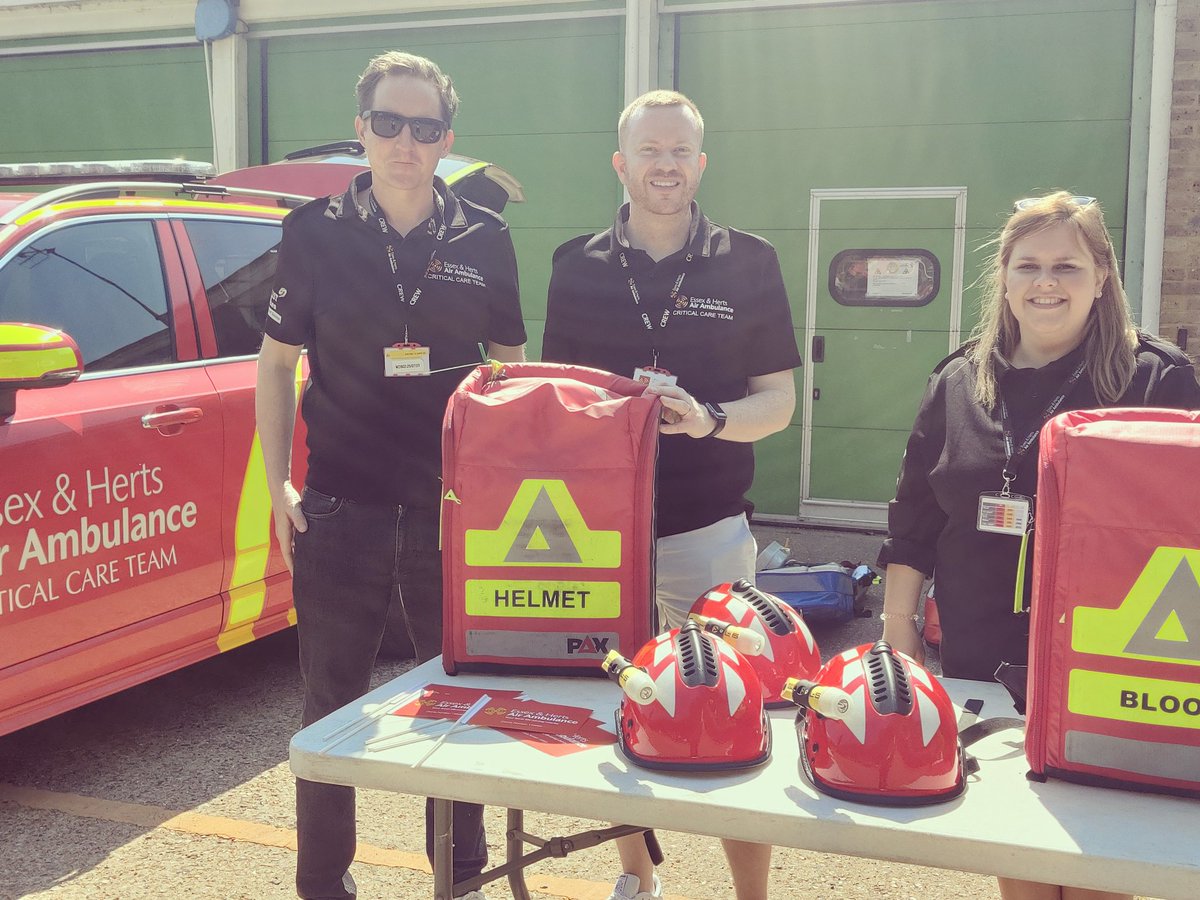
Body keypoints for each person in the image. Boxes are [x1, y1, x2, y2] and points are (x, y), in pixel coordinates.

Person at [255, 51, 526, 900]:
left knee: (461, 699)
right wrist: (277, 488)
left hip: (454, 512)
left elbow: (511, 369)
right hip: (339, 507)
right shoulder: (313, 232)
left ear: (447, 138)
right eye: (388, 124)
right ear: (362, 129)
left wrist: (503, 494)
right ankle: (323, 885)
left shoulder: (487, 236)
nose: (406, 143)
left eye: (426, 128)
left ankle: (460, 880)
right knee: (330, 708)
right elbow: (275, 366)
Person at [878, 191, 1200, 900]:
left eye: (1067, 265)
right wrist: (899, 629)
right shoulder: (959, 379)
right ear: (1005, 276)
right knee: (1017, 843)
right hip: (979, 650)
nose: (1046, 282)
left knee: (1096, 865)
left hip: (1104, 651)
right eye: (1028, 265)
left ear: (1102, 276)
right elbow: (916, 516)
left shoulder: (1155, 378)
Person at [542, 89, 801, 900]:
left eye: (679, 150)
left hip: (710, 530)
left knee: (742, 708)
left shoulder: (749, 260)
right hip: (604, 535)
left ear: (701, 162)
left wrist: (713, 417)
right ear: (621, 163)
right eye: (649, 150)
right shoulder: (574, 264)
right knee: (622, 698)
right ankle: (637, 874)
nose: (665, 164)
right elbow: (559, 399)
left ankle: (749, 892)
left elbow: (780, 401)